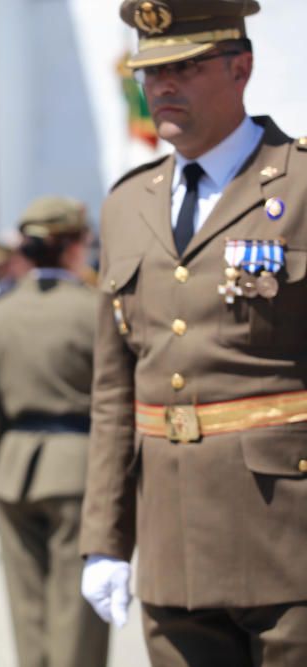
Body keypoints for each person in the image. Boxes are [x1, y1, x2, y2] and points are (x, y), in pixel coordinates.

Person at [79, 2, 307, 664]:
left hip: (288, 538)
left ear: (242, 67)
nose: (164, 87)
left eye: (186, 67)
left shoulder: (298, 183)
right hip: (172, 548)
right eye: (152, 71)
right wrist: (105, 537)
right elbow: (113, 391)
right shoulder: (128, 203)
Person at [0, 197, 107, 667]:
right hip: (81, 466)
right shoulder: (96, 309)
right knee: (77, 606)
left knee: (27, 606)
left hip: (14, 466)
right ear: (75, 245)